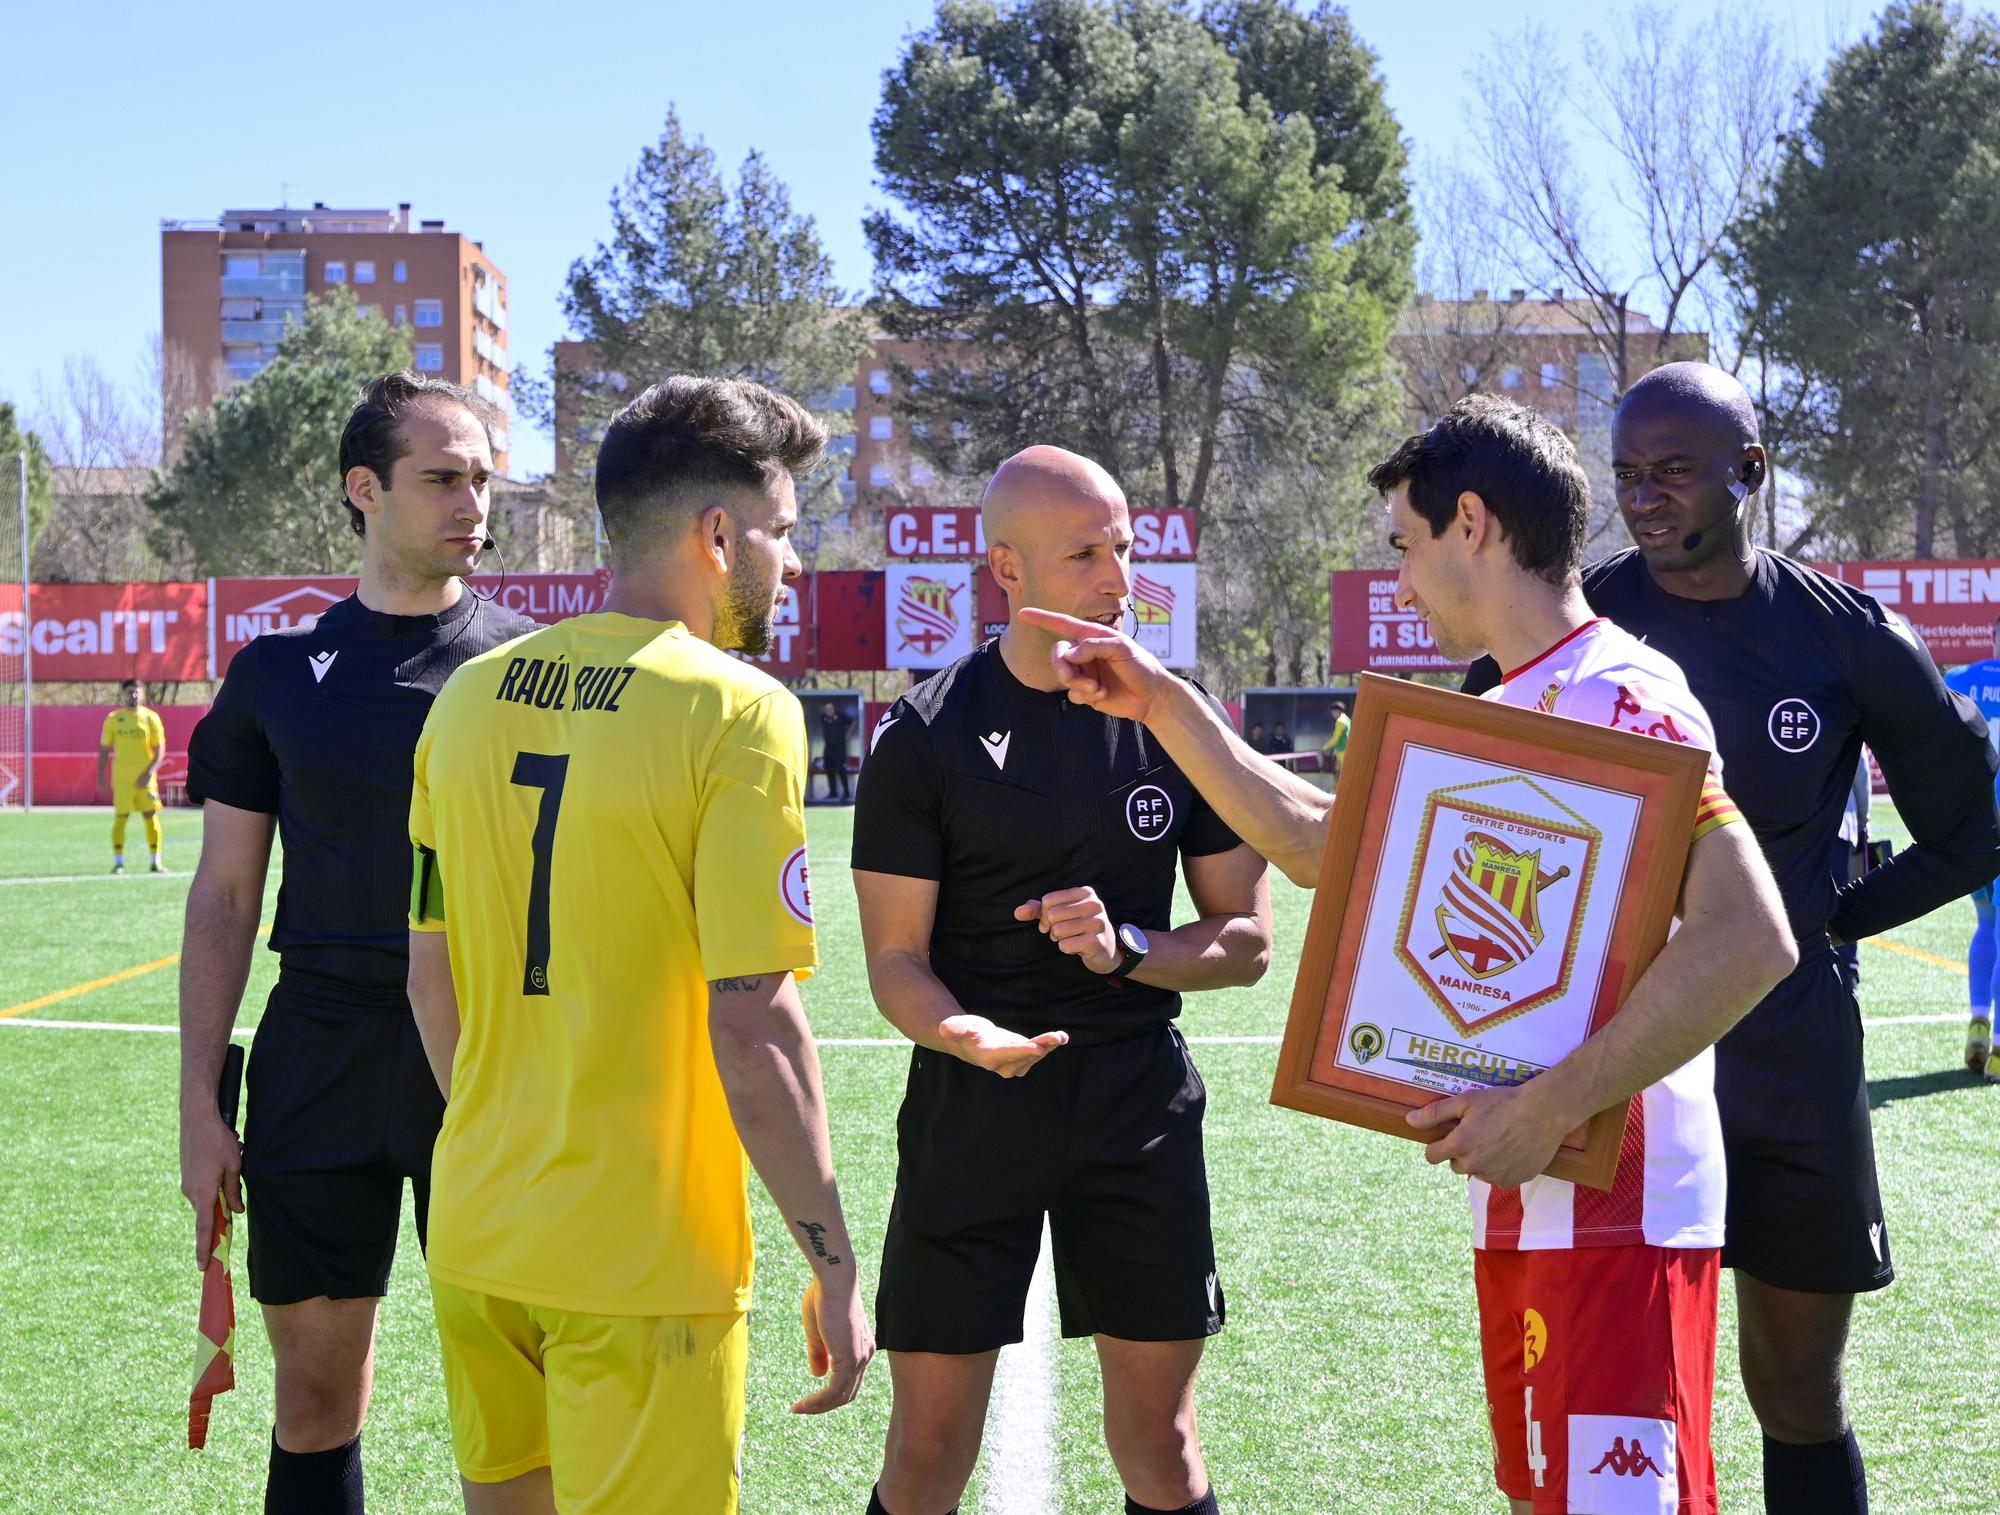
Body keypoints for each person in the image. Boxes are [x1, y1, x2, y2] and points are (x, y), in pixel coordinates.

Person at [1023, 396, 1799, 1515]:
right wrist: (1165, 706)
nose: (1396, 581)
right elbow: (1311, 844)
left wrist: (1546, 1104)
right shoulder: (1512, 703)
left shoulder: (1617, 697)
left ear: (1470, 524)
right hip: (1531, 1188)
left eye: (1403, 545)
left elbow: (1748, 938)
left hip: (1616, 1200)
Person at [1460, 362, 2000, 1514]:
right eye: (1626, 475)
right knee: (1617, 1405)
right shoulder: (1575, 627)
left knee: (1794, 1390)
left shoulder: (1845, 638)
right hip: (1624, 1086)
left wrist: (1832, 922)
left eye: (1671, 471)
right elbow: (1452, 815)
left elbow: (1973, 828)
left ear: (1747, 473)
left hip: (1784, 1068)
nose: (1644, 497)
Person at [406, 375, 873, 1515]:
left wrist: (508, 1141)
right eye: (780, 532)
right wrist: (835, 1264)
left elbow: (430, 979)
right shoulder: (738, 711)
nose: (792, 564)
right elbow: (753, 1019)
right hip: (640, 1264)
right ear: (717, 535)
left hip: (476, 1236)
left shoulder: (463, 701)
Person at [853, 445, 1271, 1515]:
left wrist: (1130, 946)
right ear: (1006, 569)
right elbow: (895, 961)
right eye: (1084, 553)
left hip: (1132, 1098)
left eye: (1122, 549)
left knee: (1159, 1449)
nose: (1116, 578)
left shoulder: (1175, 721)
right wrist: (963, 1036)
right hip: (970, 1102)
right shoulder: (922, 734)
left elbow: (1245, 940)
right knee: (925, 1453)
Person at [177, 372, 538, 1515]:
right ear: (363, 489)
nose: (471, 501)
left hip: (487, 1056)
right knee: (316, 1399)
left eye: (482, 478)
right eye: (442, 478)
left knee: (523, 1392)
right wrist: (199, 1102)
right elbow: (226, 898)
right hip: (318, 1054)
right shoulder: (276, 676)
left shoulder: (530, 670)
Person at [1943, 618, 2000, 1072]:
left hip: (1973, 826)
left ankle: (1980, 1018)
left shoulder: (1960, 681)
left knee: (1987, 923)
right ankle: (1999, 1047)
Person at [99, 676, 166, 873]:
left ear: (143, 694)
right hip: (122, 780)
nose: (134, 695)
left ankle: (156, 861)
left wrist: (149, 772)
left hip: (146, 780)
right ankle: (118, 861)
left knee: (151, 817)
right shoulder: (114, 719)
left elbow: (160, 749)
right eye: (130, 692)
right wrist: (101, 776)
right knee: (121, 819)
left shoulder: (151, 718)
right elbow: (104, 749)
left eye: (137, 691)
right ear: (123, 694)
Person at [819, 697, 855, 802]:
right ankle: (833, 792)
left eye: (830, 708)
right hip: (828, 748)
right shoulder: (823, 718)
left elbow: (853, 722)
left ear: (834, 709)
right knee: (829, 770)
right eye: (827, 709)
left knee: (841, 769)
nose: (829, 711)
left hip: (840, 748)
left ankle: (846, 792)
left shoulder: (840, 716)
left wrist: (848, 735)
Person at [1320, 699, 1351, 783]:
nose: (1332, 713)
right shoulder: (1347, 719)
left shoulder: (1340, 721)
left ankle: (1338, 794)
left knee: (1343, 775)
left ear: (1338, 711)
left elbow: (1335, 738)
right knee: (1338, 772)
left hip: (1342, 751)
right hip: (1345, 750)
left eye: (1333, 711)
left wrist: (1325, 747)